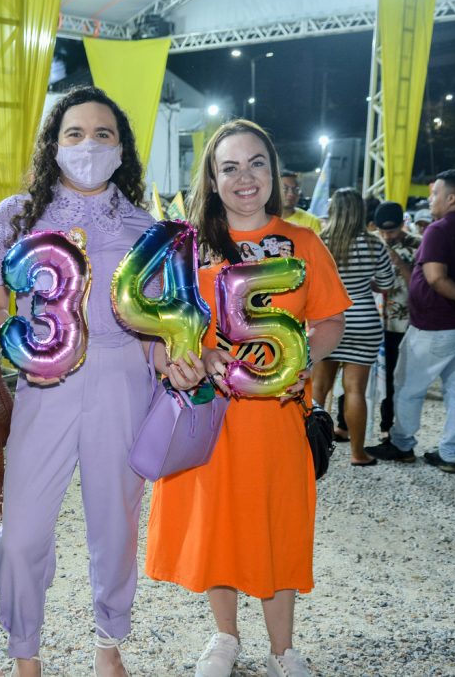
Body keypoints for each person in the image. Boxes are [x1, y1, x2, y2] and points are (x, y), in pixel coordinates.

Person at [0, 86, 203, 677]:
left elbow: (159, 320)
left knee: (115, 523)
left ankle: (109, 645)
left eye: (104, 134)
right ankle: (24, 650)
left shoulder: (145, 226)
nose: (88, 145)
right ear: (53, 145)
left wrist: (172, 357)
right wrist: (24, 349)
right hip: (44, 383)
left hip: (123, 379)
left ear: (122, 149)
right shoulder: (14, 215)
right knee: (22, 533)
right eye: (74, 133)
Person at [145, 119, 350, 677]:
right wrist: (189, 356)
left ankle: (283, 649)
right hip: (211, 419)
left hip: (278, 418)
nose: (245, 177)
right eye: (229, 166)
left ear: (274, 172)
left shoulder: (303, 243)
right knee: (217, 527)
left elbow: (330, 318)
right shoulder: (187, 248)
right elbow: (160, 333)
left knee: (277, 525)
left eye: (256, 163)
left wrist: (303, 352)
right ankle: (225, 638)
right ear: (212, 178)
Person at [368, 170, 455, 473]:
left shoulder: (439, 230)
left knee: (407, 386)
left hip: (436, 326)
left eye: (434, 194)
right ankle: (450, 453)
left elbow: (435, 277)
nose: (430, 200)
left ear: (451, 198)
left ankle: (403, 443)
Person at [311, 189, 394, 466]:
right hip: (363, 320)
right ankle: (358, 453)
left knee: (318, 388)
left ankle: (308, 450)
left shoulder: (320, 242)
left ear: (333, 209)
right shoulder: (374, 244)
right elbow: (386, 283)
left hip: (326, 319)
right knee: (355, 389)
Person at [372, 201, 421, 438]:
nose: (386, 236)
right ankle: (345, 423)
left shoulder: (418, 245)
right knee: (356, 376)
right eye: (382, 231)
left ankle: (387, 426)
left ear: (403, 225)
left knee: (393, 377)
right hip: (369, 321)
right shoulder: (370, 241)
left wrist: (399, 263)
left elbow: (419, 287)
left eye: (391, 231)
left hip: (400, 324)